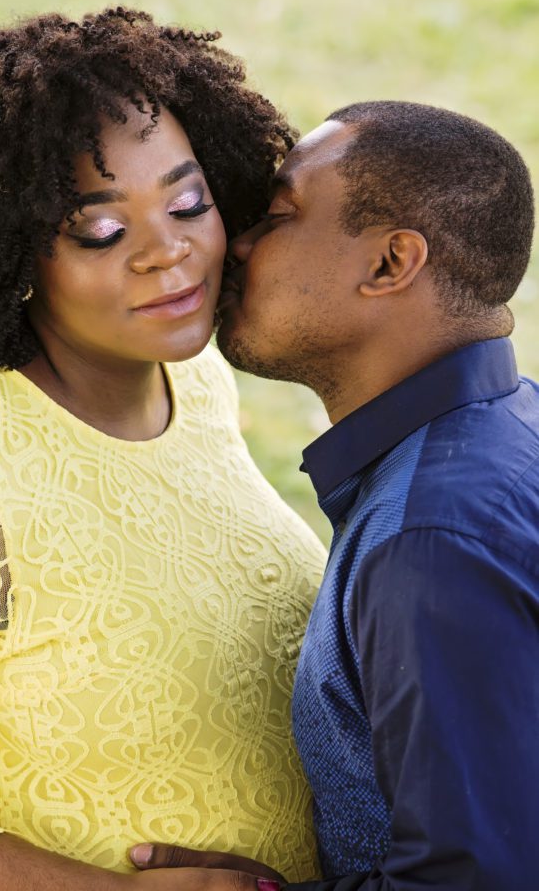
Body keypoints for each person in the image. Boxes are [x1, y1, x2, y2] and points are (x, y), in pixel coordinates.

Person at [0, 7, 327, 891]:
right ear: (8, 250)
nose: (169, 252)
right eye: (103, 232)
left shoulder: (194, 383)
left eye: (189, 203)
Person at [130, 101, 539, 889]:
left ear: (391, 264)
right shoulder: (512, 422)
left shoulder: (430, 544)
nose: (236, 245)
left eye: (278, 216)